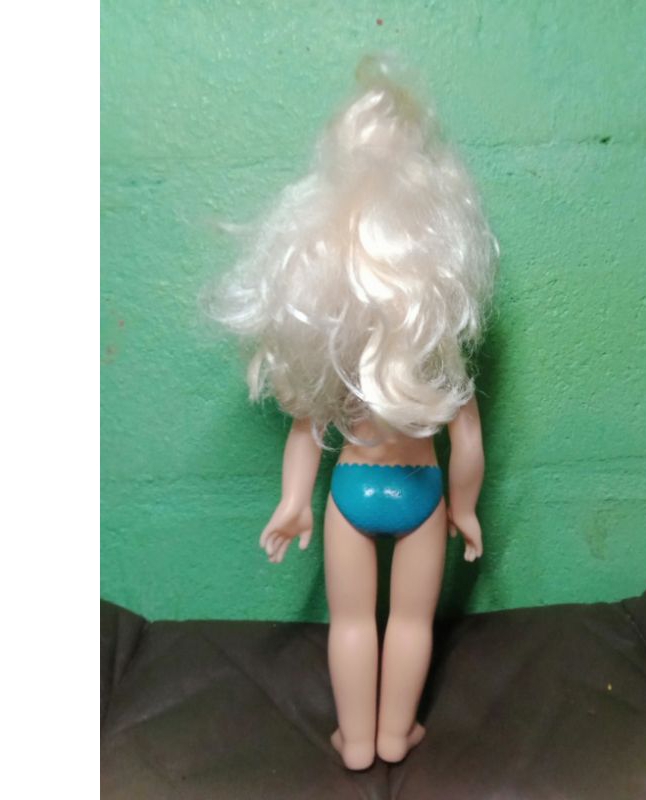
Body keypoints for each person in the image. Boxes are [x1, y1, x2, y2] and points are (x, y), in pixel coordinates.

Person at [206, 53, 498, 770]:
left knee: (352, 625)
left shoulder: (333, 348)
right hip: (422, 492)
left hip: (352, 493)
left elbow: (307, 428)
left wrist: (293, 503)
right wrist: (463, 508)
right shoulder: (435, 353)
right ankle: (395, 734)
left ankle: (358, 743)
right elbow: (467, 442)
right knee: (409, 624)